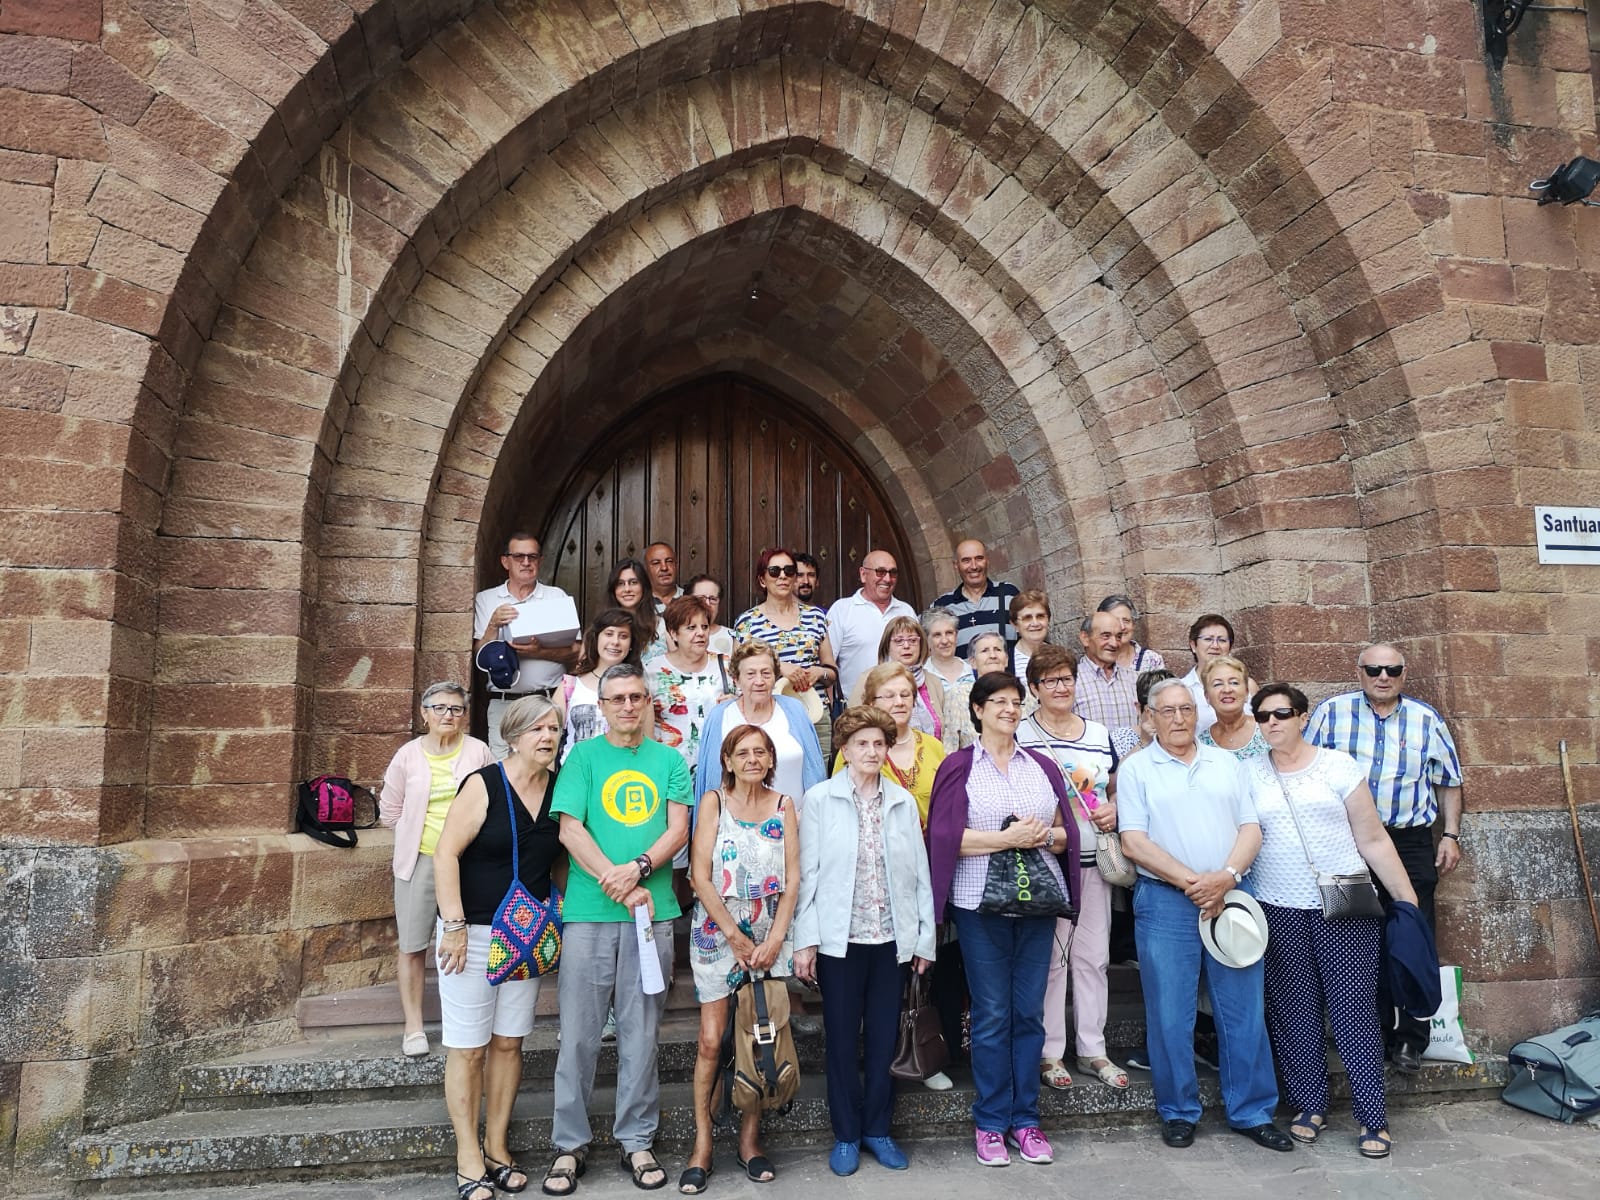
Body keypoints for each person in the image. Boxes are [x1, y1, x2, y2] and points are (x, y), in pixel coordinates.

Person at [1246, 683, 1420, 1160]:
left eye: (1281, 713)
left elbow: (1374, 839)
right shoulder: (1248, 774)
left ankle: (1372, 1115)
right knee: (1292, 1013)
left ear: (1303, 716)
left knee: (1354, 1013)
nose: (1272, 723)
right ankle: (1309, 1105)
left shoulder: (1337, 767)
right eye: (1262, 716)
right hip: (1276, 907)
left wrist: (1407, 900)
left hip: (1342, 904)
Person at [1115, 677, 1289, 1153]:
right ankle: (1177, 1111)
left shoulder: (1227, 763)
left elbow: (1251, 827)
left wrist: (1227, 876)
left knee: (1243, 1011)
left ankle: (1251, 1111)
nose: (1177, 719)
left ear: (1198, 714)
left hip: (1231, 896)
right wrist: (1194, 883)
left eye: (1186, 710)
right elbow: (1134, 842)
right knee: (1170, 1015)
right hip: (1168, 901)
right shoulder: (1136, 770)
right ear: (1149, 717)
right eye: (1166, 711)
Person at [545, 664, 692, 1196]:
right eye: (617, 698)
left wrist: (639, 871)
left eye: (636, 697)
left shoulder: (670, 760)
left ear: (650, 702)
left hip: (653, 914)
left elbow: (678, 827)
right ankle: (568, 1144)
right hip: (589, 913)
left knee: (641, 1033)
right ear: (601, 706)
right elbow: (569, 828)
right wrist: (617, 878)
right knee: (579, 1035)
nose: (628, 706)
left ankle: (637, 1139)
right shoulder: (581, 757)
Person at [925, 671, 1082, 1167]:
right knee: (993, 1014)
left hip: (1035, 904)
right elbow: (946, 839)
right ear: (976, 710)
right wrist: (1006, 839)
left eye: (1016, 702)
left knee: (1029, 1012)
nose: (1010, 710)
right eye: (998, 702)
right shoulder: (958, 766)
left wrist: (1042, 838)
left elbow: (1066, 835)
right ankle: (991, 1121)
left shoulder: (1042, 765)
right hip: (979, 906)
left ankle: (1027, 1120)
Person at [1306, 643, 1464, 1075]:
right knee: (1361, 939)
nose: (1383, 676)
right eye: (1374, 669)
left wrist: (1449, 834)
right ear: (1359, 672)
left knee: (1413, 937)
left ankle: (1411, 1040)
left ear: (1403, 673)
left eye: (1392, 669)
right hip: (1348, 841)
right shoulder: (1330, 713)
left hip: (1410, 840)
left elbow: (1448, 779)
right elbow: (1303, 768)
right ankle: (1370, 1035)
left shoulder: (1426, 718)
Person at [432, 696, 567, 1200]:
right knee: (468, 1048)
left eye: (553, 728)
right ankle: (467, 1154)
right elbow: (446, 853)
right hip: (474, 932)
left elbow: (557, 862)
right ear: (512, 737)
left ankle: (496, 1145)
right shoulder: (483, 784)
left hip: (526, 936)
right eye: (536, 728)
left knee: (509, 1042)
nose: (547, 736)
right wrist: (454, 924)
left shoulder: (558, 788)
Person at [794, 705, 936, 1176]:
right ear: (846, 749)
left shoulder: (900, 801)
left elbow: (919, 877)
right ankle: (846, 1135)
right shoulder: (819, 800)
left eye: (879, 743)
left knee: (882, 1039)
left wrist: (923, 939)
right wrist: (806, 940)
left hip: (891, 940)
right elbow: (808, 874)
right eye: (862, 744)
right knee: (839, 1039)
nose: (872, 751)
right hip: (841, 941)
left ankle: (877, 1129)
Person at [680, 724, 799, 1191]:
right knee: (711, 1040)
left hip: (768, 935)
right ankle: (703, 1142)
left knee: (757, 1034)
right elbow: (699, 873)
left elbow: (792, 879)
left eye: (760, 752)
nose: (752, 759)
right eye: (742, 753)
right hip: (717, 931)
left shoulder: (784, 805)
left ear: (771, 760)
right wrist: (733, 935)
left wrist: (775, 939)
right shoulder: (713, 801)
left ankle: (751, 1139)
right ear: (727, 760)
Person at [1014, 647, 1127, 1092]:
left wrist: (1114, 809)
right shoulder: (1022, 732)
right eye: (1050, 681)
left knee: (1093, 958)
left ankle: (1093, 1049)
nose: (1061, 687)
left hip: (1093, 858)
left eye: (1066, 678)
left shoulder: (1098, 733)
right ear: (1034, 689)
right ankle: (1049, 1053)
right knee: (1052, 961)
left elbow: (1112, 786)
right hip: (1046, 860)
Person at [379, 682, 495, 1058]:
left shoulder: (478, 751)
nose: (449, 715)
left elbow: (494, 802)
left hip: (470, 862)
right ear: (424, 713)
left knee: (468, 940)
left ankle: (461, 1019)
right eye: (440, 708)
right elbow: (389, 810)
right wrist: (416, 835)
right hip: (421, 861)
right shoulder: (408, 755)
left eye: (457, 709)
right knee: (413, 945)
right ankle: (413, 1026)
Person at [856, 661, 954, 1091]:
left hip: (932, 867)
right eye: (888, 696)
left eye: (905, 695)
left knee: (927, 963)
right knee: (887, 966)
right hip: (878, 873)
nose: (898, 703)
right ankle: (883, 1052)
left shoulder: (933, 748)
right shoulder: (856, 748)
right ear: (871, 702)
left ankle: (923, 1048)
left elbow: (954, 806)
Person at [472, 532, 580, 757]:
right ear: (505, 561)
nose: (526, 562)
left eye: (532, 556)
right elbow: (479, 655)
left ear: (540, 561)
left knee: (547, 767)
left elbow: (577, 653)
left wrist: (541, 651)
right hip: (504, 703)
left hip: (547, 701)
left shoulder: (556, 597)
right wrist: (493, 624)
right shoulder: (487, 599)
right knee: (503, 769)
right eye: (519, 556)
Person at [694, 640, 825, 810]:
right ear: (736, 680)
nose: (759, 681)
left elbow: (816, 774)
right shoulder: (720, 716)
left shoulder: (795, 710)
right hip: (734, 830)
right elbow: (708, 782)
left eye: (766, 673)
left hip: (796, 825)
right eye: (750, 674)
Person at [732, 548, 839, 737]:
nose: (782, 576)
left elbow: (831, 672)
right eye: (774, 571)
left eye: (789, 571)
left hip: (814, 714)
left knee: (816, 767)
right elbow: (736, 673)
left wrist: (818, 672)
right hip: (767, 715)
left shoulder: (815, 617)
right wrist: (778, 667)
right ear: (762, 580)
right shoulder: (747, 622)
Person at [850, 615, 965, 751]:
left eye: (912, 640)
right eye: (899, 641)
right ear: (887, 646)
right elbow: (853, 725)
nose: (906, 646)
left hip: (931, 761)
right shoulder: (869, 678)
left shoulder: (933, 681)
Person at [826, 549, 916, 699]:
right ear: (863, 574)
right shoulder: (842, 610)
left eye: (893, 573)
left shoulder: (906, 611)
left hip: (901, 706)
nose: (887, 579)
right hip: (859, 710)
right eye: (880, 572)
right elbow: (828, 663)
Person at [561, 609, 648, 763]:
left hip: (624, 775)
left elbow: (649, 742)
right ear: (596, 639)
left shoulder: (639, 689)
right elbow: (550, 734)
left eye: (623, 636)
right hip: (575, 774)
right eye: (609, 634)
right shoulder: (570, 685)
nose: (615, 641)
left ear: (631, 644)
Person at [933, 538, 1021, 656]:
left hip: (1006, 673)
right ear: (956, 565)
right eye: (966, 561)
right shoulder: (942, 606)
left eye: (979, 558)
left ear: (987, 561)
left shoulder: (1009, 594)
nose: (974, 566)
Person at [1181, 614, 1257, 733]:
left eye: (1222, 640)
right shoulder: (1183, 688)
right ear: (1193, 645)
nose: (1215, 646)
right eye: (1208, 639)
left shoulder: (1248, 685)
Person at [1074, 609, 1138, 731]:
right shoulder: (1071, 681)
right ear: (1085, 638)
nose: (1114, 643)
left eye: (1118, 637)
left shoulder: (1134, 679)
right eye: (1106, 636)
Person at [1198, 655, 1267, 759]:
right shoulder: (1202, 744)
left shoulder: (1267, 729)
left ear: (1246, 692)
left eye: (1234, 682)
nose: (1227, 690)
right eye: (1217, 684)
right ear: (1207, 696)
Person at [607, 557, 665, 662]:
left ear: (643, 587)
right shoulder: (601, 627)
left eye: (633, 582)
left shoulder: (661, 626)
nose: (627, 589)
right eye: (620, 584)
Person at [1098, 594, 1167, 673]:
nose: (1122, 627)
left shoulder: (1151, 660)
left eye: (1126, 620)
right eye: (1115, 621)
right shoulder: (1095, 659)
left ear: (1133, 624)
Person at [922, 607, 976, 687]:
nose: (944, 641)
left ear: (956, 635)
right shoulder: (922, 676)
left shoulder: (971, 671)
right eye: (937, 635)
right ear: (927, 639)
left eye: (949, 633)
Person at [1007, 589, 1052, 685]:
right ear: (1015, 625)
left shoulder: (1060, 656)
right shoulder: (1005, 662)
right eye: (1027, 618)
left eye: (1040, 616)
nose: (1035, 623)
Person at [685, 573, 735, 657]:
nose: (707, 603)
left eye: (713, 599)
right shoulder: (678, 635)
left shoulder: (732, 637)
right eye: (701, 598)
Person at [644, 542, 682, 610]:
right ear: (646, 569)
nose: (664, 568)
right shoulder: (639, 603)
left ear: (676, 566)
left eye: (669, 561)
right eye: (656, 563)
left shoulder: (690, 598)